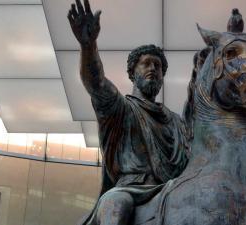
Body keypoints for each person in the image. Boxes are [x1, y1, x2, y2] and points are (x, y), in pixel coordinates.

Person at [67, 0, 189, 224]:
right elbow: (96, 83)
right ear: (132, 73)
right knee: (116, 205)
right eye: (147, 64)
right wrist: (88, 45)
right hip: (129, 189)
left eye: (158, 66)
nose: (153, 68)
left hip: (171, 190)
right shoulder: (120, 107)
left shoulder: (176, 121)